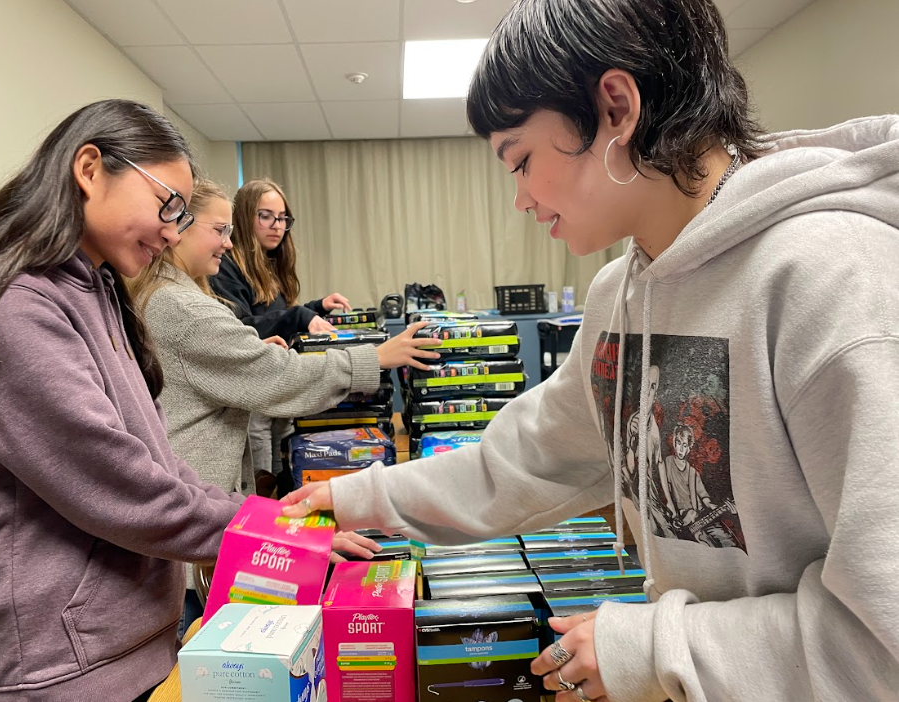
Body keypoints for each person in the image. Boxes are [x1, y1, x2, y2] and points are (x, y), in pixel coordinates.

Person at [282, 1, 899, 700]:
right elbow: (525, 461)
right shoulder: (619, 294)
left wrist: (649, 647)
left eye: (521, 162)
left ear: (615, 108)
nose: (518, 199)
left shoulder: (835, 280)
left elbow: (881, 643)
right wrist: (353, 495)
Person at [0, 100, 245, 701]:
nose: (174, 230)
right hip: (61, 663)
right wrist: (264, 533)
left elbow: (155, 459)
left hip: (123, 640)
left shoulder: (99, 290)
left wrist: (263, 521)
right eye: (168, 205)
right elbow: (116, 482)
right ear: (90, 169)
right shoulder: (17, 303)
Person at [129, 178, 439, 632]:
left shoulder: (174, 296)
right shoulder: (182, 308)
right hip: (195, 521)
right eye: (220, 230)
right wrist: (375, 357)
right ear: (180, 227)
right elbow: (279, 379)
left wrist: (250, 349)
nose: (229, 243)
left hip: (201, 513)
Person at [210, 178, 353, 487]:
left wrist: (317, 306)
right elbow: (242, 326)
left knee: (283, 444)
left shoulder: (271, 262)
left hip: (278, 376)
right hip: (253, 387)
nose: (277, 225)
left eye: (283, 217)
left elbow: (270, 313)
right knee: (261, 450)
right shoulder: (226, 266)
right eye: (266, 216)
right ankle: (262, 512)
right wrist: (299, 315)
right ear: (246, 218)